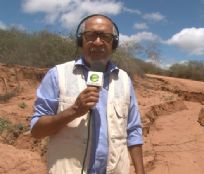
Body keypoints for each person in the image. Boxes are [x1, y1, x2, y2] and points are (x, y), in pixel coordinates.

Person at [30, 14, 145, 174]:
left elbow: (133, 130)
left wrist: (140, 171)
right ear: (80, 40)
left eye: (105, 36)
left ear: (114, 43)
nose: (97, 42)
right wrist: (74, 110)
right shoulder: (57, 74)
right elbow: (37, 131)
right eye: (90, 35)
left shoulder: (124, 79)